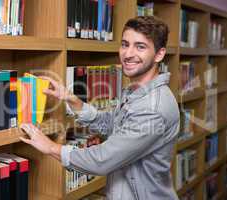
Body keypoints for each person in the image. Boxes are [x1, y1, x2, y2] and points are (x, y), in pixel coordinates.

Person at [20, 16, 180, 200]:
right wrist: (73, 101)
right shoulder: (136, 91)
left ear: (159, 54)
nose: (128, 54)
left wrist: (50, 147)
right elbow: (112, 125)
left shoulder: (153, 108)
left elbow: (103, 159)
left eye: (140, 47)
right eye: (125, 44)